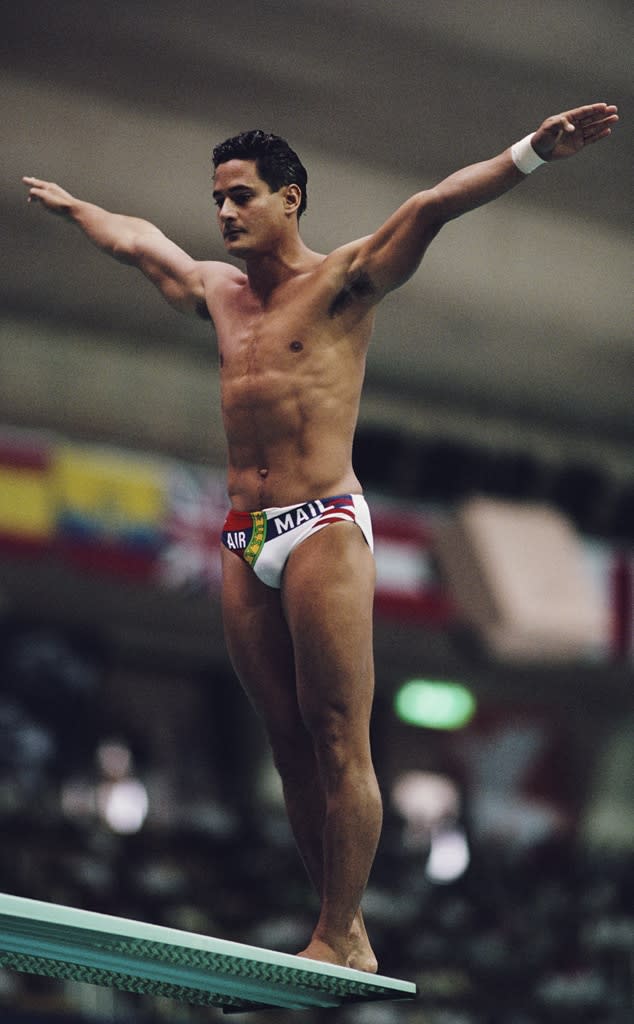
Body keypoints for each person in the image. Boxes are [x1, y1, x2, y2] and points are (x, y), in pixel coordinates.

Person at [23, 102, 618, 971]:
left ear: (289, 200)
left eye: (241, 197)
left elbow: (433, 206)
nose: (224, 214)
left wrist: (532, 152)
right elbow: (135, 239)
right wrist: (74, 206)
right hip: (241, 535)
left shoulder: (345, 282)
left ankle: (347, 931)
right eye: (217, 198)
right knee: (287, 742)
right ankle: (328, 920)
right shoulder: (214, 293)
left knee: (338, 728)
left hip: (323, 524)